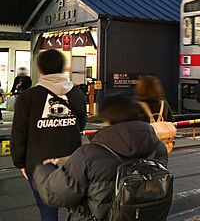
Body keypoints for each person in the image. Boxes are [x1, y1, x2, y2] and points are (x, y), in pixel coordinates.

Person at [32, 94, 168, 221]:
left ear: (108, 118)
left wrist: (43, 169)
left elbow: (56, 194)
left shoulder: (89, 154)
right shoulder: (157, 147)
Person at [10, 49, 86, 221]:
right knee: (77, 210)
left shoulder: (28, 97)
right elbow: (80, 125)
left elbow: (19, 132)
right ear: (63, 68)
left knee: (48, 213)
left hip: (38, 164)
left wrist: (20, 162)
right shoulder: (76, 94)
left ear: (41, 70)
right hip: (73, 162)